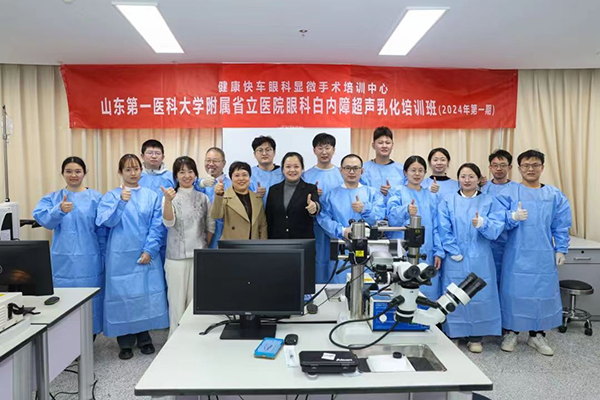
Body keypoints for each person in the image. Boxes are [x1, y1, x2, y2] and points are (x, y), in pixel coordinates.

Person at [496, 149, 571, 356]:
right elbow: (497, 221)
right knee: (514, 294)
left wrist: (561, 249)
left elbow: (561, 224)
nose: (531, 169)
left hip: (543, 255)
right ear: (519, 169)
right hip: (516, 254)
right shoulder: (509, 193)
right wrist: (512, 217)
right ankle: (511, 333)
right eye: (526, 165)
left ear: (542, 167)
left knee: (541, 294)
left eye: (535, 165)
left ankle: (537, 335)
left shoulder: (554, 195)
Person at [96, 154, 169, 360]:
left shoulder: (151, 196)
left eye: (136, 168)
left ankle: (144, 337)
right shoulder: (111, 196)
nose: (133, 173)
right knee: (123, 297)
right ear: (120, 172)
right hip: (119, 256)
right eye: (128, 169)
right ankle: (125, 342)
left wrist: (149, 250)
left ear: (141, 170)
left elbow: (157, 225)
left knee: (144, 296)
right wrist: (121, 202)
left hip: (146, 253)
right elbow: (105, 221)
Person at [33, 156, 106, 335]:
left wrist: (105, 256)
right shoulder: (52, 198)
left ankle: (89, 337)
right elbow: (44, 220)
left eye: (78, 171)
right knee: (64, 300)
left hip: (90, 257)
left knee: (90, 300)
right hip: (62, 258)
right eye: (69, 171)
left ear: (85, 173)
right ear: (62, 173)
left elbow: (103, 230)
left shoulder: (96, 198)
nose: (73, 175)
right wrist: (58, 210)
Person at [438, 163, 504, 353]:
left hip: (481, 257)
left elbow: (496, 229)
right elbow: (443, 227)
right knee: (453, 295)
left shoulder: (489, 201)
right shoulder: (448, 200)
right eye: (463, 176)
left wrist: (483, 224)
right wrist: (452, 249)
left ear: (479, 179)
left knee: (479, 295)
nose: (467, 180)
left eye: (471, 176)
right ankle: (454, 333)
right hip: (454, 257)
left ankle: (476, 336)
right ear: (458, 178)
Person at [162, 156, 215, 336]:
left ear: (196, 174)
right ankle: (174, 340)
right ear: (176, 176)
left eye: (190, 171)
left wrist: (203, 246)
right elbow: (169, 223)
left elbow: (210, 226)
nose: (186, 175)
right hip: (176, 258)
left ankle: (193, 340)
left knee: (195, 303)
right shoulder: (170, 197)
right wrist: (168, 201)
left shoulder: (203, 198)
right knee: (176, 303)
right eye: (182, 172)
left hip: (199, 257)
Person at [317, 154, 386, 283]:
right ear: (341, 170)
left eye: (355, 168)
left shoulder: (372, 193)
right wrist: (342, 231)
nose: (351, 172)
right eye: (348, 168)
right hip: (342, 252)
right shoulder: (331, 195)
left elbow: (380, 216)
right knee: (341, 290)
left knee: (365, 288)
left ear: (362, 171)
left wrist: (365, 209)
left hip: (368, 252)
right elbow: (324, 219)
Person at [387, 156, 444, 299]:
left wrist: (438, 251)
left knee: (425, 291)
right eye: (413, 170)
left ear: (425, 173)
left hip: (426, 250)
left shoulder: (431, 197)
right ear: (405, 172)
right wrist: (406, 210)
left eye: (420, 170)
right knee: (401, 290)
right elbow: (392, 219)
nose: (417, 174)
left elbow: (436, 226)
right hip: (401, 250)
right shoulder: (396, 192)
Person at [303, 133, 344, 283]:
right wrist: (313, 195)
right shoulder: (306, 176)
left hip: (338, 225)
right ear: (314, 150)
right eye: (320, 148)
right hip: (315, 228)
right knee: (318, 261)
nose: (324, 152)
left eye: (327, 148)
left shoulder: (342, 174)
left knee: (339, 263)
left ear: (334, 150)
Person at [481, 149, 520, 286]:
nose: (499, 168)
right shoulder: (482, 188)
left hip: (509, 241)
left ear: (510, 167)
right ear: (490, 167)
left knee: (507, 280)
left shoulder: (517, 189)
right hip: (485, 242)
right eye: (495, 165)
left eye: (503, 165)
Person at [266, 152, 319, 239]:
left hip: (302, 241)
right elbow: (269, 218)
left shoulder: (310, 188)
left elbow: (316, 205)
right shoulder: (273, 190)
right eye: (288, 167)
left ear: (302, 169)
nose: (292, 170)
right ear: (282, 169)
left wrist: (314, 207)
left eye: (296, 166)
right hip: (277, 240)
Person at [211, 161, 268, 240]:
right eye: (237, 175)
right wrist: (218, 196)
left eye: (245, 175)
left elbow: (262, 225)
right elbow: (216, 215)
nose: (241, 179)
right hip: (232, 244)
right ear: (231, 178)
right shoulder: (225, 196)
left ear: (249, 177)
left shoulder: (257, 198)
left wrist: (263, 245)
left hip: (253, 245)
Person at [195, 147, 231, 248]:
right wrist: (201, 185)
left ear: (224, 163)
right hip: (199, 235)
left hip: (224, 236)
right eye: (208, 160)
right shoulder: (197, 183)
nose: (211, 164)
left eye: (215, 161)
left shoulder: (231, 185)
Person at [360, 126, 406, 202]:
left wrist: (392, 192)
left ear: (392, 145)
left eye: (388, 143)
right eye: (380, 143)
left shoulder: (402, 170)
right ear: (373, 145)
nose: (384, 146)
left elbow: (407, 194)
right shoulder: (363, 169)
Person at [249, 136, 284, 203]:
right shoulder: (249, 174)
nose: (264, 153)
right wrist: (254, 195)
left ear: (274, 152)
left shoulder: (284, 173)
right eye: (260, 150)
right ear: (255, 154)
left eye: (268, 150)